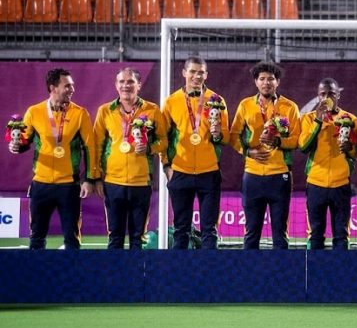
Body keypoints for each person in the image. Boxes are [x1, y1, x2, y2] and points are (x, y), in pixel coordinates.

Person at [7, 68, 99, 249]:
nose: (72, 89)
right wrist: (16, 146)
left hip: (69, 186)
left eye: (72, 85)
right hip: (41, 184)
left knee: (72, 240)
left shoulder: (80, 113)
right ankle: (36, 276)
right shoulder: (34, 111)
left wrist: (89, 179)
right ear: (53, 88)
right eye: (67, 86)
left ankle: (73, 277)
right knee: (36, 238)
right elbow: (24, 140)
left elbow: (90, 148)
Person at [93, 68, 168, 250]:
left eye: (130, 82)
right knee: (115, 237)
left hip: (141, 183)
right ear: (116, 85)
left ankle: (136, 278)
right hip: (113, 183)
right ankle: (113, 277)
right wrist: (95, 178)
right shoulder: (105, 111)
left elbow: (164, 140)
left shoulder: (152, 110)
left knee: (137, 238)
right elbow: (96, 146)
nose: (126, 85)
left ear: (139, 85)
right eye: (122, 82)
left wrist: (150, 148)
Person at [230, 61, 300, 250]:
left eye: (271, 79)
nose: (266, 82)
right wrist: (247, 151)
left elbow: (297, 140)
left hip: (280, 175)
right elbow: (233, 136)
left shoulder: (290, 107)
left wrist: (279, 142)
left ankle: (281, 276)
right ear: (256, 82)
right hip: (252, 175)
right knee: (251, 232)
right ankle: (249, 275)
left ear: (277, 82)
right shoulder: (245, 105)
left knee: (280, 234)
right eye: (262, 79)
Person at [162, 56, 229, 250]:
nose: (196, 76)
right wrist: (167, 166)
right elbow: (163, 137)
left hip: (209, 171)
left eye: (201, 72)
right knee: (181, 228)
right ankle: (179, 273)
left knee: (209, 228)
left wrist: (218, 134)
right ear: (184, 73)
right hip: (180, 171)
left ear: (206, 75)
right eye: (192, 71)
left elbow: (224, 138)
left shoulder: (217, 100)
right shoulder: (171, 101)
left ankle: (208, 272)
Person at [298, 78, 357, 250]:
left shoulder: (350, 119)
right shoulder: (309, 119)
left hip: (341, 184)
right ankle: (313, 273)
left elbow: (356, 154)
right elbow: (303, 147)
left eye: (331, 94)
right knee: (316, 233)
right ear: (318, 96)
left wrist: (349, 148)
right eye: (323, 94)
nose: (327, 97)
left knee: (341, 234)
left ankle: (340, 274)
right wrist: (318, 121)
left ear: (338, 95)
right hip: (316, 183)